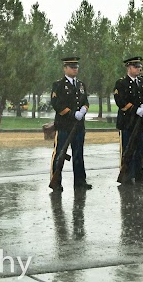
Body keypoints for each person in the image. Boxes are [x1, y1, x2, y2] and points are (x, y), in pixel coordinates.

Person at [49, 56, 92, 192]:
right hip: (64, 125)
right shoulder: (58, 85)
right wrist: (72, 113)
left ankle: (80, 181)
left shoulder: (81, 85)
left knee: (78, 154)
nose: (75, 69)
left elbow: (85, 100)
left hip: (78, 126)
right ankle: (56, 182)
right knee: (60, 154)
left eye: (76, 67)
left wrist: (84, 109)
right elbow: (57, 104)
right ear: (65, 68)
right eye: (72, 67)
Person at [114, 56, 143, 184]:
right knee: (128, 149)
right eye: (136, 67)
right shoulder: (121, 83)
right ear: (129, 67)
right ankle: (127, 175)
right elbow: (120, 101)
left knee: (139, 149)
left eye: (139, 67)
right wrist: (135, 109)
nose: (139, 69)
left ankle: (139, 174)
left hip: (140, 122)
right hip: (127, 122)